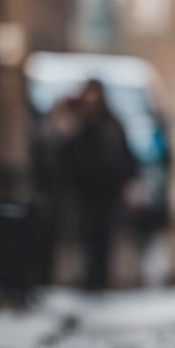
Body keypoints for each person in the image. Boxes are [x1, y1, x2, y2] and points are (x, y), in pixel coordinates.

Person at [61, 80, 137, 290]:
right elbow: (67, 155)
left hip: (108, 192)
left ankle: (100, 279)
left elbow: (126, 156)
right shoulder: (80, 124)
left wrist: (128, 182)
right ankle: (90, 279)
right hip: (85, 192)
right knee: (86, 236)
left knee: (103, 236)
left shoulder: (112, 123)